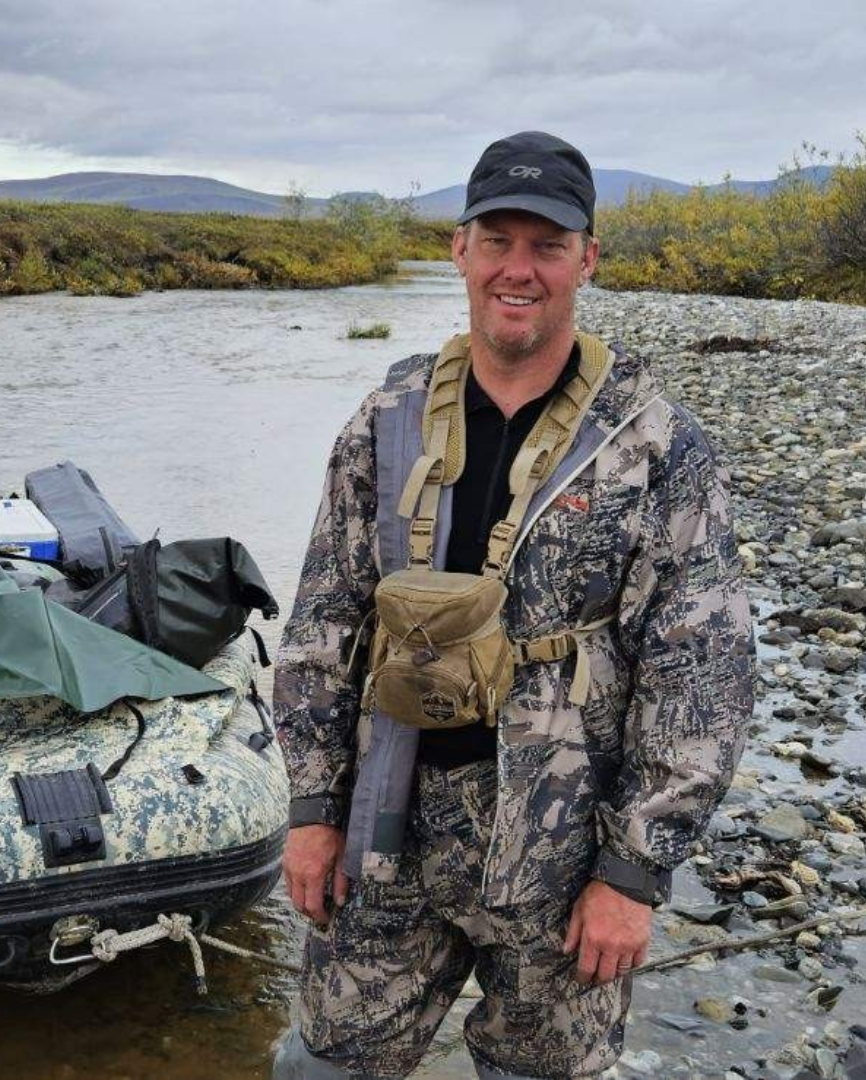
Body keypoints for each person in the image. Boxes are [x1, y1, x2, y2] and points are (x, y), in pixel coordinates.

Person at [272, 131, 757, 1079]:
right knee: (321, 1067)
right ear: (460, 249)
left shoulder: (657, 446)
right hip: (387, 836)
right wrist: (311, 808)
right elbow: (323, 623)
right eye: (498, 240)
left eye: (547, 244)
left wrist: (634, 873)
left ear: (587, 258)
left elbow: (704, 674)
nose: (518, 270)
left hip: (564, 853)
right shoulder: (386, 420)